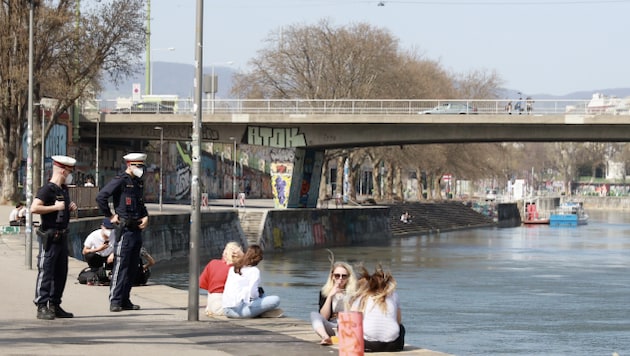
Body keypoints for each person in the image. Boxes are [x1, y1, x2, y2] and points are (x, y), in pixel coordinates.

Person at [96, 153, 149, 312]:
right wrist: (110, 215)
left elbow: (140, 204)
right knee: (121, 266)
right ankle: (115, 300)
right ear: (129, 165)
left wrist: (146, 216)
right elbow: (101, 197)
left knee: (133, 266)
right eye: (137, 166)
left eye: (142, 166)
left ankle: (125, 299)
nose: (140, 169)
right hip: (124, 230)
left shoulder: (137, 183)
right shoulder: (120, 181)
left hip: (136, 230)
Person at [31, 155, 78, 320]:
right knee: (46, 272)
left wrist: (68, 208)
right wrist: (54, 207)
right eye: (70, 172)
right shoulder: (47, 189)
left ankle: (55, 304)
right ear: (63, 171)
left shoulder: (63, 190)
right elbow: (34, 208)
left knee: (61, 273)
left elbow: (61, 209)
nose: (71, 175)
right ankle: (41, 305)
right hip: (50, 237)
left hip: (62, 237)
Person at [350, 264, 405, 353]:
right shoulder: (394, 295)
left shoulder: (363, 297)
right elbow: (398, 321)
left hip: (368, 345)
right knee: (401, 328)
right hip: (392, 346)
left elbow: (351, 320)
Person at [222, 244, 281, 318]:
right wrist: (256, 299)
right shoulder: (254, 271)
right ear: (258, 259)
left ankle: (260, 311)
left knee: (260, 292)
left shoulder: (233, 268)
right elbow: (252, 292)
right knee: (276, 299)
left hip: (226, 309)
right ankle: (263, 312)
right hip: (239, 311)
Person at [310, 261, 358, 345]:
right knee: (314, 314)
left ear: (349, 278)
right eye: (337, 275)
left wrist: (347, 297)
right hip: (332, 325)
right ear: (332, 276)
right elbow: (324, 316)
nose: (340, 279)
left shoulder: (355, 292)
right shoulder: (325, 291)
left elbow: (355, 314)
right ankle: (325, 337)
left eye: (344, 276)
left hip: (348, 325)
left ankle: (343, 336)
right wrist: (330, 296)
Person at [199, 241, 244, 316]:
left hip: (211, 301)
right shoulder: (236, 269)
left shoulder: (213, 263)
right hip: (225, 304)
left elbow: (201, 283)